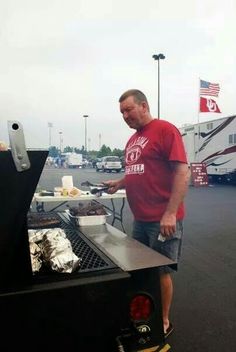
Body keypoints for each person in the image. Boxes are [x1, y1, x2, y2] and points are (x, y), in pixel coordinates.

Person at [104, 89, 190, 338]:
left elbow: (182, 172)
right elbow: (139, 170)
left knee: (161, 271)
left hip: (162, 220)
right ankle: (143, 312)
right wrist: (121, 182)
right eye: (121, 112)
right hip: (140, 219)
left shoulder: (165, 130)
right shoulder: (132, 140)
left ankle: (163, 320)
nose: (125, 115)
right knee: (141, 269)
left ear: (144, 105)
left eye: (128, 109)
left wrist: (171, 213)